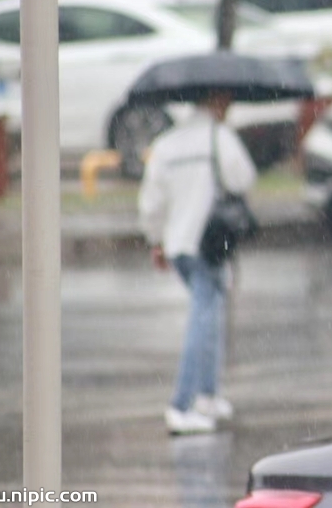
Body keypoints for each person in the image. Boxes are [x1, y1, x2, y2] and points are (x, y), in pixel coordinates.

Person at [138, 90, 257, 434]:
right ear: (217, 103)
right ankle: (182, 403)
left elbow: (152, 201)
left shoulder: (166, 144)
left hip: (178, 243)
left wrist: (155, 239)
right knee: (204, 316)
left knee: (211, 310)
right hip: (209, 241)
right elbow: (243, 178)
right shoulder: (220, 138)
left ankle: (207, 394)